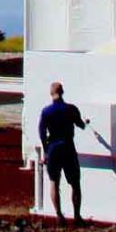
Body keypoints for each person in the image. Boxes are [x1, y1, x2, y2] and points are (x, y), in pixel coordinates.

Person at [36, 81, 87, 223]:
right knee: (75, 183)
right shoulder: (71, 109)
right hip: (68, 147)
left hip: (53, 148)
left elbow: (41, 132)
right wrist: (86, 122)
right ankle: (77, 216)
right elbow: (81, 125)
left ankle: (59, 215)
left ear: (51, 93)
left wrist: (46, 151)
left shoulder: (46, 111)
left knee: (54, 182)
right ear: (62, 91)